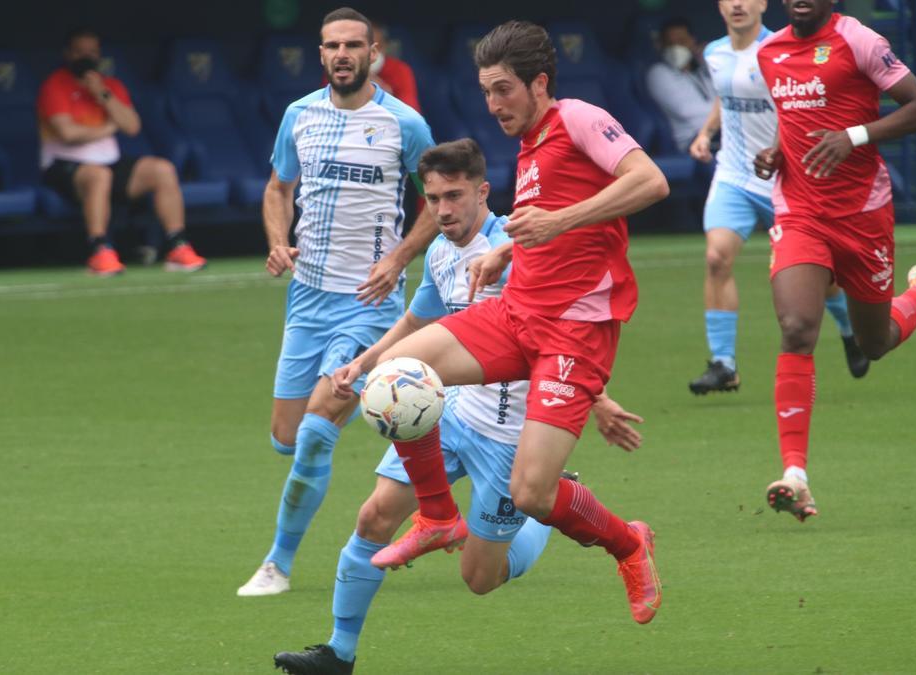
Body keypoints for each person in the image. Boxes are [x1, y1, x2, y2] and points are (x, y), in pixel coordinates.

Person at [334, 20, 670, 624]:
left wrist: (553, 225)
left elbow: (650, 182)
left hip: (576, 331)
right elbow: (554, 220)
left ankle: (628, 543)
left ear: (539, 82)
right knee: (393, 371)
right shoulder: (533, 141)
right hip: (518, 314)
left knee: (533, 495)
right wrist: (508, 250)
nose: (493, 105)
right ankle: (438, 515)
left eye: (503, 90)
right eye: (486, 92)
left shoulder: (580, 119)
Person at [272, 139, 646, 675]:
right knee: (375, 514)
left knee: (480, 578)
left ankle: (539, 508)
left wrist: (598, 399)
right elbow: (418, 322)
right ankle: (339, 653)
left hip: (510, 431)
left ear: (483, 192)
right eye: (432, 200)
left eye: (454, 196)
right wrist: (365, 363)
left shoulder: (520, 248)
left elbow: (558, 337)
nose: (443, 210)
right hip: (447, 416)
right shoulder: (443, 253)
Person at [236, 7, 438, 597]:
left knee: (318, 431)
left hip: (370, 305)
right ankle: (429, 456)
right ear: (320, 54)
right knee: (286, 436)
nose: (342, 54)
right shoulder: (299, 116)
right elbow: (279, 187)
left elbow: (438, 201)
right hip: (307, 301)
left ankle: (277, 564)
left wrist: (399, 258)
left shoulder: (404, 124)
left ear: (374, 52)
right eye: (332, 46)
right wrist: (278, 242)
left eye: (354, 45)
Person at [754, 0, 916, 520]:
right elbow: (791, 116)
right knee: (798, 326)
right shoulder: (770, 51)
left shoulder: (860, 41)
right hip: (799, 211)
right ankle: (795, 475)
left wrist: (855, 136)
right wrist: (778, 152)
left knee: (875, 343)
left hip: (863, 213)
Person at [687, 0, 868, 394]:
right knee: (717, 257)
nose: (737, 4)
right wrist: (705, 133)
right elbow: (725, 93)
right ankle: (723, 364)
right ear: (719, 7)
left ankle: (849, 328)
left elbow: (793, 109)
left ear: (763, 4)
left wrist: (777, 151)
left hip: (785, 177)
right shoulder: (715, 53)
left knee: (824, 277)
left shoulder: (781, 50)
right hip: (734, 174)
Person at [37, 28, 206, 276]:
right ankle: (99, 251)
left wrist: (102, 94)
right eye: (79, 51)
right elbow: (68, 134)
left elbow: (132, 126)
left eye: (92, 52)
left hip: (109, 162)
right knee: (98, 176)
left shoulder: (110, 86)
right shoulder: (55, 85)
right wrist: (109, 127)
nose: (86, 57)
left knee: (162, 170)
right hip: (63, 166)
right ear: (68, 54)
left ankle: (177, 246)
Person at [646, 17, 716, 151]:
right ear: (660, 45)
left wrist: (707, 61)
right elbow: (688, 112)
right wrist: (728, 113)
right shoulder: (659, 73)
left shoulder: (701, 72)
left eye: (681, 42)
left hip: (718, 134)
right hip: (693, 140)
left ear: (692, 42)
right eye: (670, 43)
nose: (676, 48)